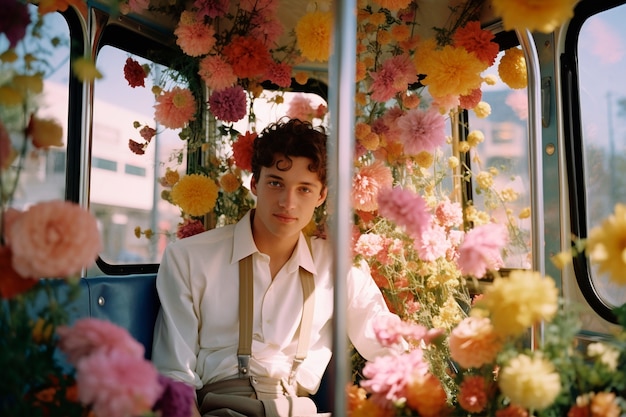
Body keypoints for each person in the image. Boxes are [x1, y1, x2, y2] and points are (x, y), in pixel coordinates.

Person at [152, 118, 403, 417]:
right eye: (275, 183)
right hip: (221, 408)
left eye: (305, 189)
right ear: (254, 184)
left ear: (321, 196)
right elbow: (173, 376)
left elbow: (391, 346)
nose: (288, 202)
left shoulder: (337, 268)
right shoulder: (189, 258)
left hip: (299, 409)